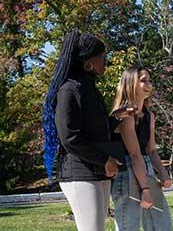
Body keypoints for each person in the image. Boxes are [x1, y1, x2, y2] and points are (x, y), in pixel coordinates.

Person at [42, 30, 130, 231]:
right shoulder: (69, 90)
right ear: (88, 62)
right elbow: (69, 137)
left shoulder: (89, 88)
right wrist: (104, 160)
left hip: (96, 170)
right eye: (101, 57)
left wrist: (117, 116)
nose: (105, 61)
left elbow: (97, 131)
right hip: (78, 171)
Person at [111, 67, 173, 230]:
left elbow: (151, 150)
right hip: (127, 172)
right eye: (143, 80)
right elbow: (134, 153)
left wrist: (162, 172)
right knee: (128, 226)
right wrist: (145, 189)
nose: (148, 84)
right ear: (130, 83)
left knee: (161, 224)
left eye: (150, 80)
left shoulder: (149, 115)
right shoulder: (125, 115)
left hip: (145, 168)